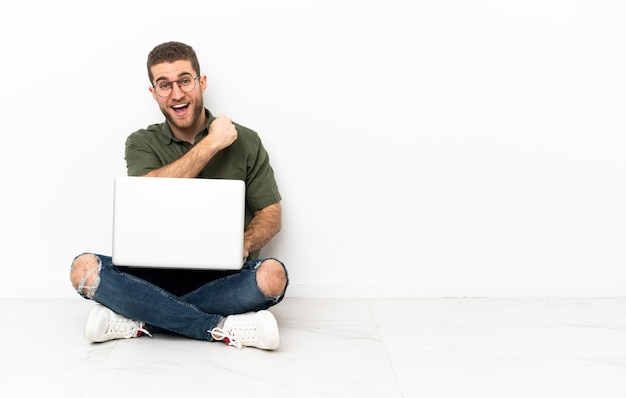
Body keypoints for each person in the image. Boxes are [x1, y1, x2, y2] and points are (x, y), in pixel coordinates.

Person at [69, 41, 288, 350]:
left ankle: (138, 318)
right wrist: (212, 144)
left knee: (273, 276)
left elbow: (271, 213)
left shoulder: (246, 140)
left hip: (223, 279)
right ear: (153, 93)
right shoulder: (141, 142)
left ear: (202, 83)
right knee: (83, 269)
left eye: (184, 80)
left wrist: (245, 243)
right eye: (164, 85)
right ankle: (221, 327)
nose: (176, 94)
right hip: (152, 278)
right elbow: (148, 191)